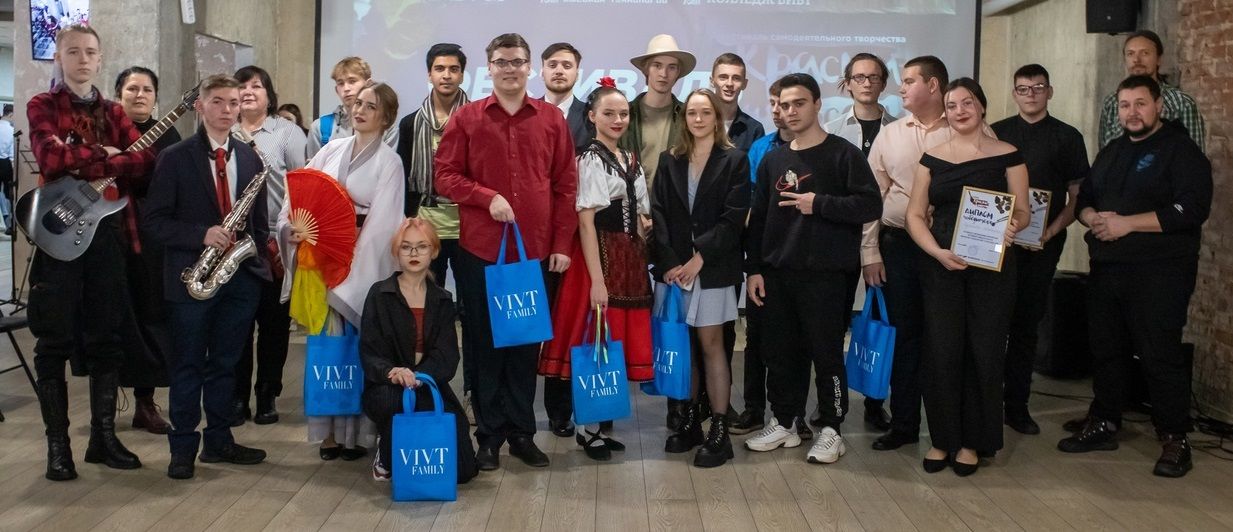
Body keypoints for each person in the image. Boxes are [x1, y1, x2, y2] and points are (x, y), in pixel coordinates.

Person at [435, 33, 578, 472]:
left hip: (535, 253)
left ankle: (522, 434)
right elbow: (444, 176)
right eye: (501, 62)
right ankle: (489, 436)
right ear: (490, 68)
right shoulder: (467, 118)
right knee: (485, 345)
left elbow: (565, 186)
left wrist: (561, 244)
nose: (510, 69)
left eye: (517, 61)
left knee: (525, 346)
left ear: (529, 67)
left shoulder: (551, 119)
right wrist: (485, 197)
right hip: (481, 252)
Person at [1058, 75, 1211, 479]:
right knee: (1106, 349)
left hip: (1161, 271)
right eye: (1125, 105)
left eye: (1140, 103)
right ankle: (1105, 421)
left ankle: (1175, 438)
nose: (1132, 112)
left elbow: (1192, 209)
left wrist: (1127, 223)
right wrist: (1092, 217)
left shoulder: (1180, 151)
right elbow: (1086, 198)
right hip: (1108, 268)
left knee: (1159, 353)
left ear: (1158, 105)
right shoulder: (1113, 151)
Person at [27, 24, 154, 481]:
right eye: (74, 52)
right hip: (59, 237)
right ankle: (57, 447)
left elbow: (145, 162)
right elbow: (50, 159)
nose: (83, 59)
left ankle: (103, 438)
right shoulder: (42, 105)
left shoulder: (114, 111)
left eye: (91, 52)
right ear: (59, 58)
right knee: (53, 340)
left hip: (106, 236)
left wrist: (83, 155)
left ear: (100, 59)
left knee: (107, 337)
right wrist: (109, 152)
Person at [744, 73, 882, 465]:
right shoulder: (773, 159)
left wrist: (818, 204)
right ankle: (785, 421)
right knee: (780, 353)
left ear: (818, 104)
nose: (790, 111)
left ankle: (832, 428)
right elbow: (759, 219)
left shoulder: (843, 154)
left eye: (799, 103)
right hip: (777, 273)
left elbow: (870, 205)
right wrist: (755, 269)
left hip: (826, 274)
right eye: (784, 104)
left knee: (826, 353)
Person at [143, 74, 270, 480]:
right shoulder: (174, 157)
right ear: (199, 106)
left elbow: (259, 223)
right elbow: (154, 221)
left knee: (226, 365)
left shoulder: (250, 158)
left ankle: (219, 441)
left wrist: (253, 262)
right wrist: (201, 234)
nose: (227, 110)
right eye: (217, 101)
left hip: (238, 278)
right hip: (191, 279)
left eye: (234, 102)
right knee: (187, 366)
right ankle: (182, 449)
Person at [906, 78, 1030, 477]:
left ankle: (973, 442)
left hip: (992, 269)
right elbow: (914, 215)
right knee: (942, 351)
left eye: (968, 102)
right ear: (945, 112)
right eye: (952, 105)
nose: (960, 110)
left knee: (985, 350)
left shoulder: (1008, 155)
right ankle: (943, 439)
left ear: (982, 106)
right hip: (941, 264)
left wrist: (1014, 224)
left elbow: (1023, 211)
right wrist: (936, 252)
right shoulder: (931, 157)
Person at [281, 80, 405, 461]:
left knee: (357, 351)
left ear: (386, 118)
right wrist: (292, 227)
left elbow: (383, 225)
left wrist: (349, 271)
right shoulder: (331, 149)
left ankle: (357, 435)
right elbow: (299, 192)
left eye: (371, 106)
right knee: (326, 352)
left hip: (357, 264)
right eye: (358, 103)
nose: (360, 111)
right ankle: (328, 434)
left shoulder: (390, 162)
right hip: (321, 259)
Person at [539, 78, 654, 461]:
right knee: (594, 339)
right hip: (598, 258)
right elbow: (586, 223)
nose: (617, 120)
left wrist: (642, 241)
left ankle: (601, 425)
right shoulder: (589, 158)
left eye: (623, 113)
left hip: (627, 257)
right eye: (609, 113)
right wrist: (597, 280)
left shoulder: (630, 158)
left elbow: (640, 215)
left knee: (613, 340)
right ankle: (588, 428)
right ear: (591, 116)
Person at [650, 88, 750, 468]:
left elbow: (733, 218)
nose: (698, 118)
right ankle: (690, 421)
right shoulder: (670, 159)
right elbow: (659, 212)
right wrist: (670, 261)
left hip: (713, 268)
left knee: (711, 345)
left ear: (716, 117)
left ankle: (719, 430)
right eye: (691, 112)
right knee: (686, 347)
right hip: (675, 271)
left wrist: (699, 258)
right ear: (684, 118)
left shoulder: (734, 160)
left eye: (705, 112)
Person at [990, 64, 1089, 435]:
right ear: (1014, 93)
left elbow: (1077, 197)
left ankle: (1017, 406)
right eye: (1023, 88)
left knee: (1026, 325)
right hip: (999, 243)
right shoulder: (996, 132)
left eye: (1038, 87)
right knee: (992, 322)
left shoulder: (1068, 137)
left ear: (1050, 91)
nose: (1030, 94)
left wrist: (1050, 232)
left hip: (1041, 245)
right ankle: (986, 403)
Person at [862, 55, 950, 453]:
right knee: (904, 337)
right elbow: (871, 199)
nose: (901, 88)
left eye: (909, 80)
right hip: (898, 247)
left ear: (933, 86)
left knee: (945, 337)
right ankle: (904, 424)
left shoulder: (965, 129)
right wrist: (870, 252)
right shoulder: (890, 135)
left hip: (949, 250)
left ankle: (948, 428)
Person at [361, 217, 479, 484]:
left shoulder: (443, 299)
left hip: (427, 382)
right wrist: (393, 372)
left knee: (463, 470)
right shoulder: (379, 294)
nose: (413, 253)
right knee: (394, 403)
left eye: (422, 246)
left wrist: (420, 376)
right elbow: (369, 351)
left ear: (434, 252)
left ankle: (401, 446)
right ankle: (386, 450)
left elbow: (447, 355)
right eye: (406, 247)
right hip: (387, 386)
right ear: (396, 252)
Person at [394, 43, 475, 425]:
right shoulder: (411, 122)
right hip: (425, 222)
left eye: (453, 69)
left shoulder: (477, 117)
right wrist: (408, 222)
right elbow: (404, 176)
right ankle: (426, 388)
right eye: (440, 68)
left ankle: (472, 392)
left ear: (462, 74)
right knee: (425, 311)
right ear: (429, 74)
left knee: (472, 311)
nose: (446, 75)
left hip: (468, 222)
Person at [821, 52, 898, 433]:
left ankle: (874, 402)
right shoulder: (831, 132)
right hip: (839, 239)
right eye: (859, 77)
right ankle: (829, 403)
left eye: (874, 77)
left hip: (887, 240)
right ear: (847, 83)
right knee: (832, 325)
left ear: (883, 83)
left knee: (881, 321)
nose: (866, 83)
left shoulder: (899, 130)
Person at [231, 65, 308, 427]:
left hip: (274, 242)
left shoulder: (287, 133)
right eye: (242, 86)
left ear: (269, 94)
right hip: (232, 242)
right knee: (236, 324)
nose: (248, 92)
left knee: (274, 325)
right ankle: (236, 397)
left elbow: (303, 181)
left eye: (256, 86)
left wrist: (297, 229)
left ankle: (267, 394)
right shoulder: (223, 130)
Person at [113, 66, 183, 435]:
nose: (139, 95)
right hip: (108, 231)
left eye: (147, 90)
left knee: (149, 315)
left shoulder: (167, 134)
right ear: (118, 95)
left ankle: (145, 402)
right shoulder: (106, 131)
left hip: (150, 237)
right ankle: (103, 406)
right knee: (109, 314)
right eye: (132, 89)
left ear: (156, 97)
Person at [731, 78, 793, 437]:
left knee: (795, 339)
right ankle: (754, 409)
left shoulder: (820, 149)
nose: (780, 110)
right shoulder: (759, 148)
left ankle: (793, 415)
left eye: (787, 103)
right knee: (756, 336)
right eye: (774, 103)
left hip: (800, 255)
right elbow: (749, 202)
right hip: (764, 253)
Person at [539, 41, 594, 438]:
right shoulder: (528, 111)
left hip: (575, 237)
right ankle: (520, 410)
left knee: (567, 325)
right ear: (541, 70)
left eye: (567, 65)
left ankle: (563, 410)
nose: (560, 70)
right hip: (528, 236)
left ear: (578, 71)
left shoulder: (589, 116)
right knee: (530, 325)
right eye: (553, 64)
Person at [1098, 30, 1205, 152]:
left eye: (1145, 53)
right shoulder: (1111, 102)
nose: (1136, 59)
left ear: (1159, 59)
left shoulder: (1182, 103)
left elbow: (1194, 156)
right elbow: (1104, 154)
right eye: (1130, 54)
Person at [620, 34, 695, 188]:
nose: (664, 74)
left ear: (678, 72)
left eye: (671, 67)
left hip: (672, 201)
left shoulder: (687, 116)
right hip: (629, 200)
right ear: (646, 69)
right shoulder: (624, 114)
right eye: (657, 65)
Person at [307, 56, 398, 159]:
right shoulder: (319, 127)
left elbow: (386, 165)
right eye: (341, 83)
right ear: (336, 90)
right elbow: (312, 168)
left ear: (368, 84)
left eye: (352, 81)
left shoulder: (387, 129)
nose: (346, 88)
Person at [711, 53, 764, 152]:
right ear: (712, 81)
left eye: (736, 78)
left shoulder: (754, 129)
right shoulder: (697, 122)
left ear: (744, 84)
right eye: (723, 77)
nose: (729, 83)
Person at [0, 104, 13, 234]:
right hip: (4, 163)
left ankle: (6, 220)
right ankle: (8, 223)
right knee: (7, 194)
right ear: (11, 114)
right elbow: (12, 155)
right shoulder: (10, 130)